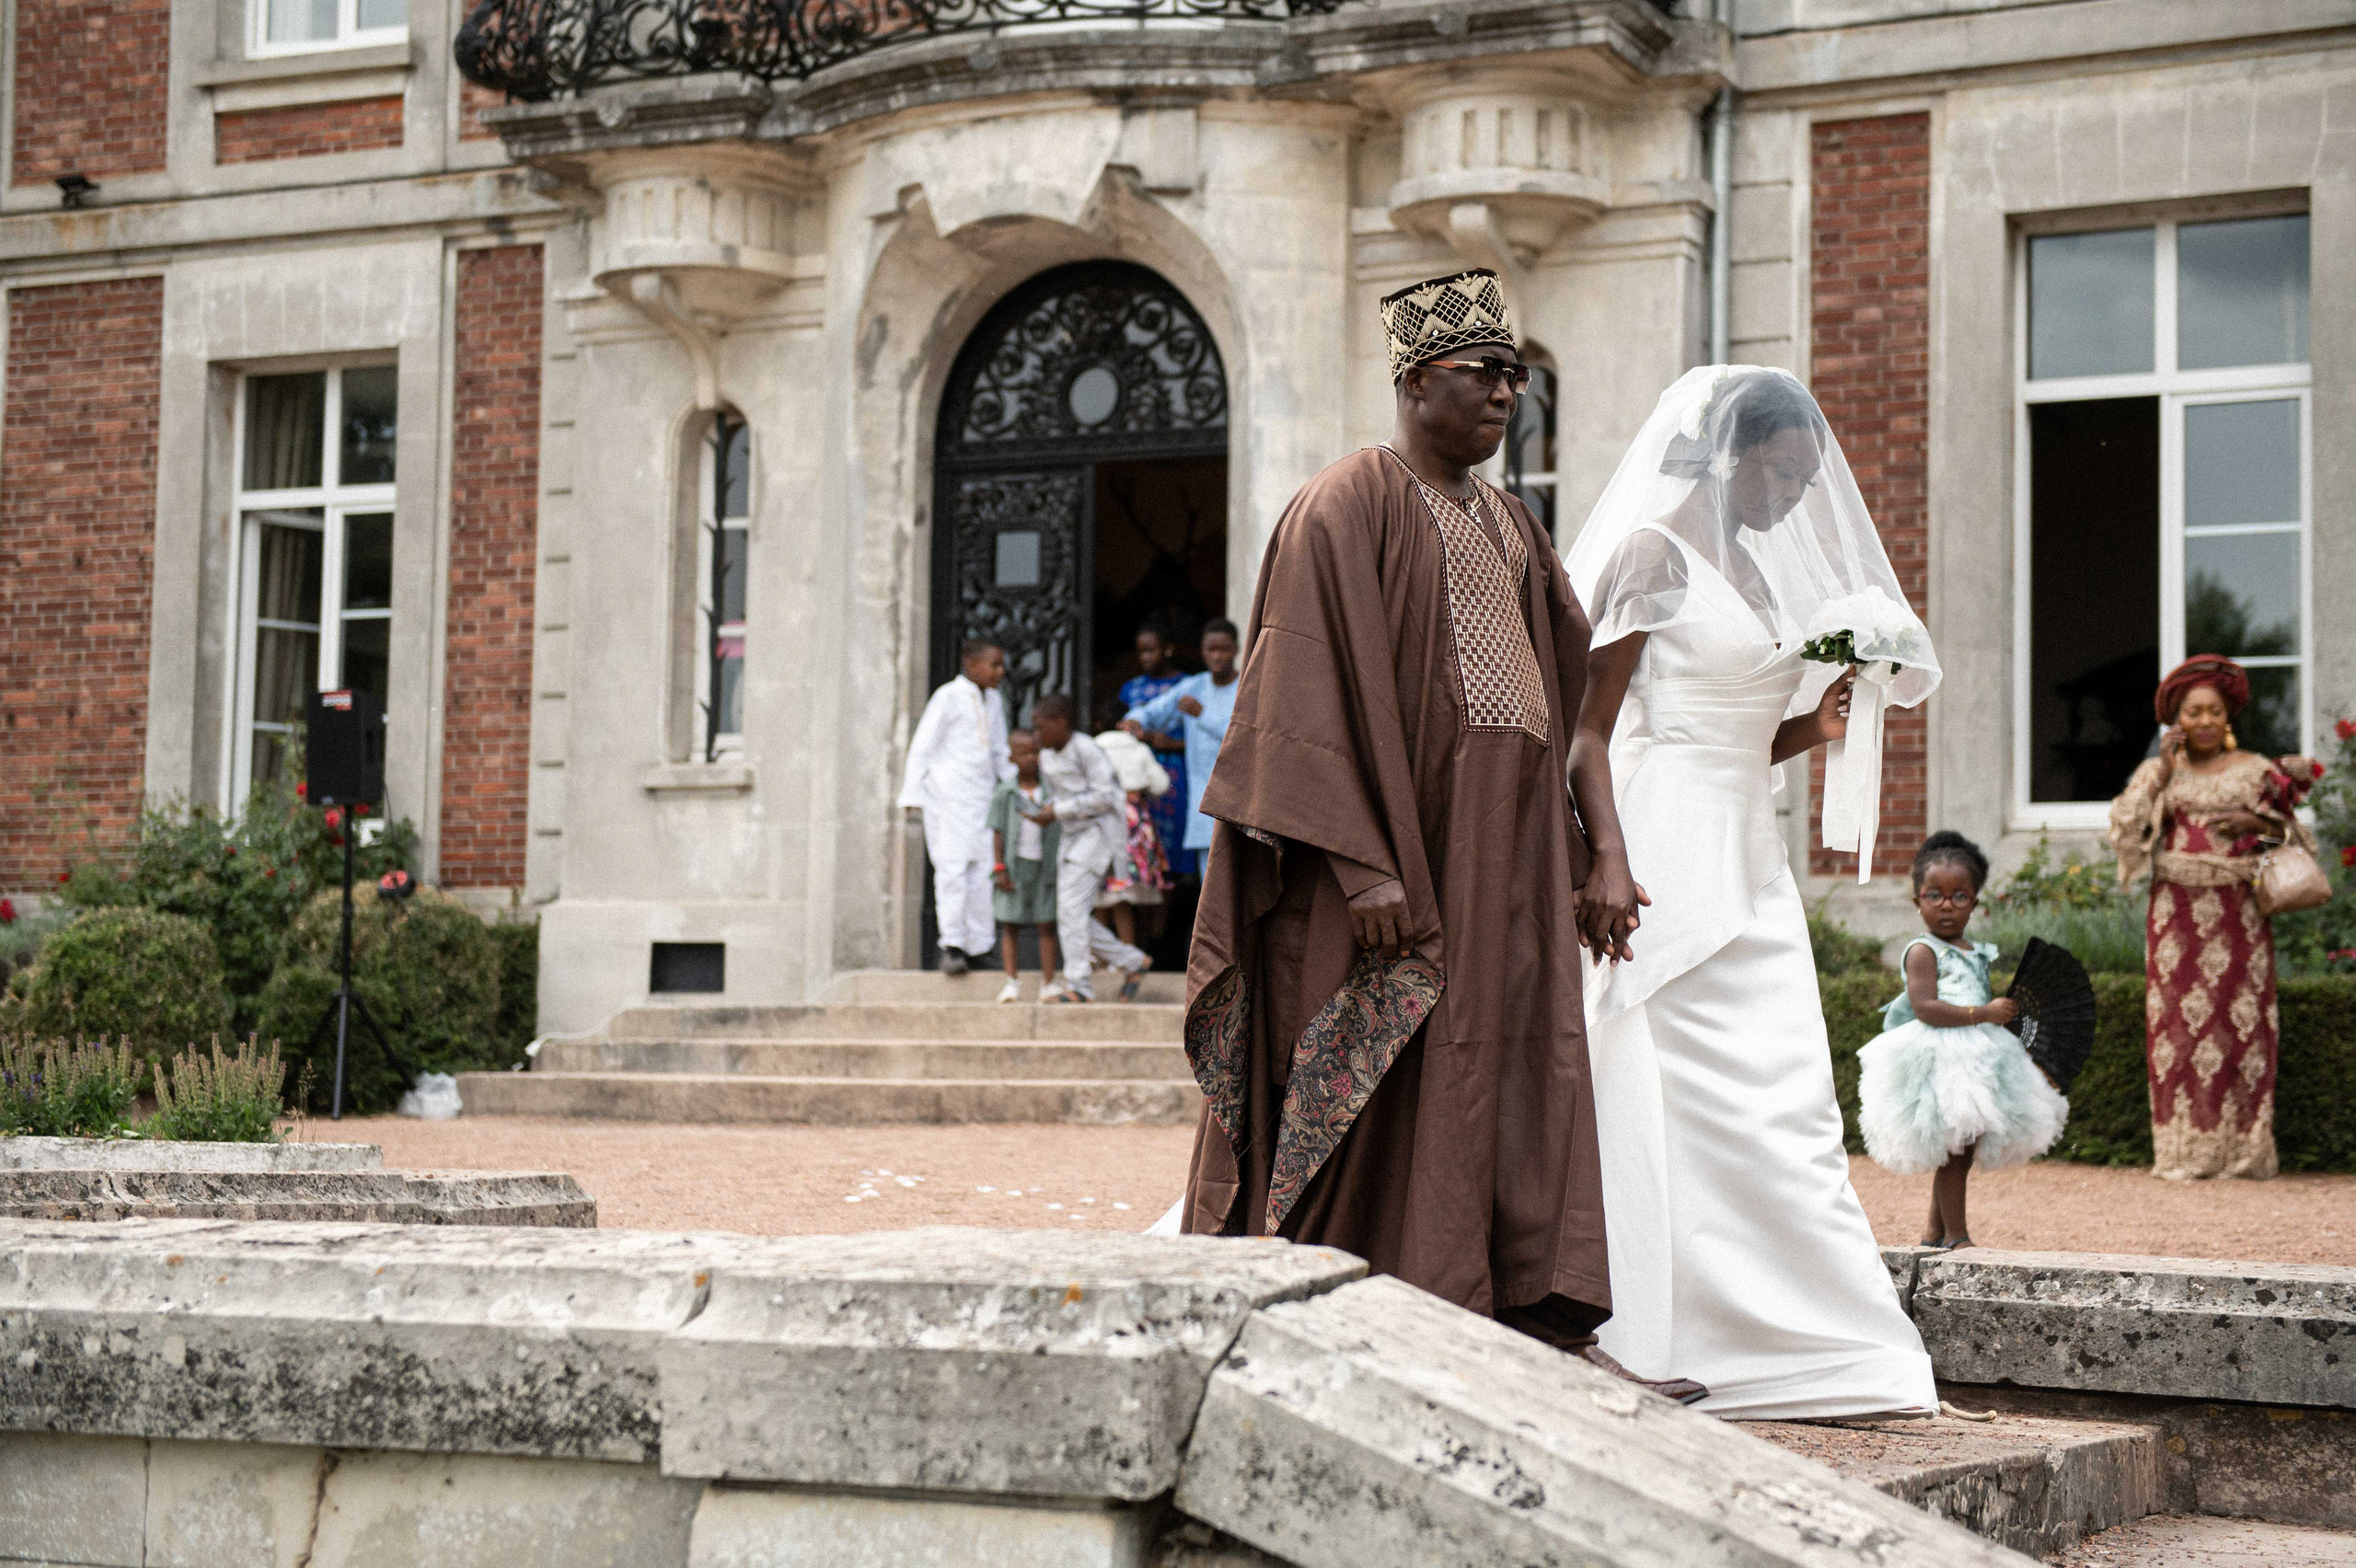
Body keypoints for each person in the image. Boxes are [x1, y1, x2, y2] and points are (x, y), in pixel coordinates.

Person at [1176, 269, 1695, 1399]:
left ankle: (1539, 1335)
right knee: (1388, 1085)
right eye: (1484, 373)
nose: (1508, 394)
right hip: (1391, 867)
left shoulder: (1511, 523)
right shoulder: (1344, 501)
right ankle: (1360, 1325)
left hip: (1509, 859)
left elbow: (1565, 715)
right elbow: (1292, 706)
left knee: (1522, 1074)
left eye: (1518, 376)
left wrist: (1591, 852)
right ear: (1415, 380)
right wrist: (1366, 872)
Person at [1564, 364, 1940, 1419]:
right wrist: (1605, 856)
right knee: (1648, 1084)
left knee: (1783, 1100)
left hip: (1748, 847)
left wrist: (1816, 725)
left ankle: (1809, 1338)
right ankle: (1633, 1324)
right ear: (1737, 451)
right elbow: (1589, 731)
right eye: (1788, 470)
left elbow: (1742, 732)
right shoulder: (1650, 552)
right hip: (1658, 843)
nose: (1796, 496)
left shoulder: (1755, 568)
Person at [2108, 655, 2319, 1181]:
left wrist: (2258, 821)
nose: (2204, 721)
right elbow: (2124, 829)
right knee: (2176, 1027)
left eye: (2214, 712)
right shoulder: (2160, 772)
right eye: (2192, 712)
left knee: (2240, 1028)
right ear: (2176, 721)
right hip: (2174, 916)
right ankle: (2183, 1152)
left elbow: (2299, 841)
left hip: (2239, 916)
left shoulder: (2257, 770)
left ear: (2229, 718)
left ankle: (2243, 1153)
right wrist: (2158, 773)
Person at [1856, 832, 2070, 1246]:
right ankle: (1958, 1235)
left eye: (1959, 896)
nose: (1947, 905)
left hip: (1975, 1055)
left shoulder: (1973, 949)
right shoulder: (1923, 951)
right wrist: (1982, 1013)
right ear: (1916, 900)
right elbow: (1925, 1008)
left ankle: (1935, 1231)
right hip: (1942, 1058)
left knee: (1962, 1149)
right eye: (1934, 895)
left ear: (1974, 901)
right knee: (1956, 1149)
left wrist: (1997, 1014)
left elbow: (1972, 998)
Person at [898, 641, 1013, 975]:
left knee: (982, 872)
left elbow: (1000, 753)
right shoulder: (948, 696)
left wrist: (1016, 790)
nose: (1000, 672)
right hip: (947, 799)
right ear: (971, 665)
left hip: (983, 798)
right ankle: (952, 945)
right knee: (952, 870)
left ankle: (978, 946)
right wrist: (911, 793)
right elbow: (922, 747)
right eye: (994, 665)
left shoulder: (994, 701)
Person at [1030, 693, 1152, 1003]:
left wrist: (1057, 811)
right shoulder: (1046, 757)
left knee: (1070, 909)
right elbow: (1058, 800)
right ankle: (1133, 961)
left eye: (1040, 727)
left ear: (1060, 723)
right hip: (1071, 838)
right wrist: (1045, 812)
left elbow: (1107, 797)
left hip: (1098, 835)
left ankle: (1079, 986)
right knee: (1071, 913)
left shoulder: (1086, 749)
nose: (1036, 734)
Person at [1122, 619, 1240, 877]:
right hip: (1204, 800)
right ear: (1202, 651)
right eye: (1211, 649)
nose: (1217, 656)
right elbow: (1153, 711)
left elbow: (1245, 740)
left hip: (1240, 799)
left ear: (1237, 650)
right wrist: (1136, 720)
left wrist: (1202, 715)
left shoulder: (1246, 688)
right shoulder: (1194, 686)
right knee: (1209, 882)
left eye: (1224, 649)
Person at [987, 729, 1062, 1004]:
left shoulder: (1051, 789)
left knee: (1046, 924)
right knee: (1009, 925)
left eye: (1035, 751)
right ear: (1011, 758)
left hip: (1046, 865)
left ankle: (1049, 982)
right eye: (1024, 753)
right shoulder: (1004, 792)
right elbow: (997, 830)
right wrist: (999, 866)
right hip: (1014, 865)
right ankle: (1011, 982)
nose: (1031, 758)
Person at [1094, 722, 1173, 951]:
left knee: (1104, 893)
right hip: (1132, 816)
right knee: (1122, 894)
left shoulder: (1093, 746)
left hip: (1104, 816)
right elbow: (1161, 785)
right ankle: (1126, 954)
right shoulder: (1138, 748)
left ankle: (1105, 960)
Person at [1120, 625, 1191, 870]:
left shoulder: (1187, 686)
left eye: (1151, 650)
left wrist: (1175, 743)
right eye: (1141, 652)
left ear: (1167, 649)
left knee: (1173, 843)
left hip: (1176, 771)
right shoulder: (1132, 688)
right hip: (1138, 772)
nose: (1145, 658)